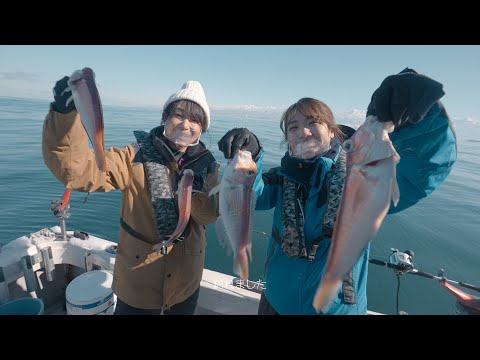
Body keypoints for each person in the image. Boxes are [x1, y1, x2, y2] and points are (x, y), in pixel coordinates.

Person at [217, 67, 457, 315]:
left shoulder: (359, 178)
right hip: (275, 303)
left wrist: (422, 114)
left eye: (313, 122)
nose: (304, 132)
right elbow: (251, 194)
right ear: (287, 138)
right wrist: (253, 154)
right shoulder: (282, 177)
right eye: (293, 127)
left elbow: (422, 170)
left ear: (332, 131)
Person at [43, 75, 220, 315]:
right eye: (178, 114)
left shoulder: (209, 167)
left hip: (185, 285)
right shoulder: (132, 157)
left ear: (202, 128)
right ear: (165, 118)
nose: (185, 124)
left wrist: (193, 192)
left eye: (195, 119)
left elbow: (210, 216)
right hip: (138, 286)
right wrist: (65, 117)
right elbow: (79, 172)